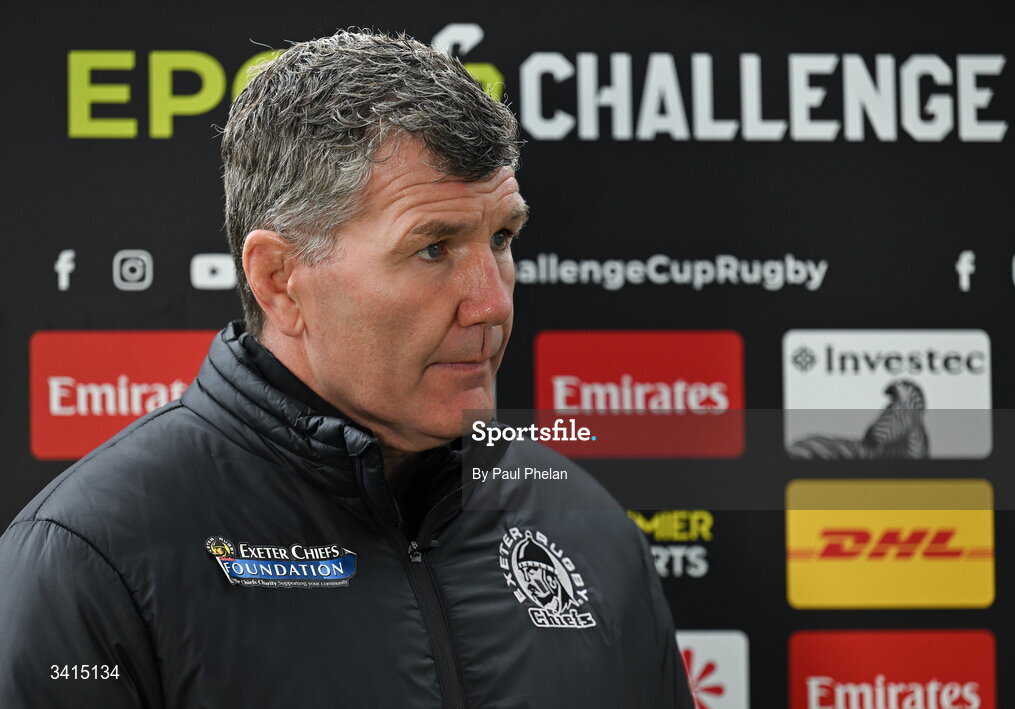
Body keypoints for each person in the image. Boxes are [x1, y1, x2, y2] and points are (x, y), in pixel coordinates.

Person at [0, 30, 692, 708]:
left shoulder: (588, 527)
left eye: (501, 238)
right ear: (280, 278)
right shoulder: (94, 560)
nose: (491, 303)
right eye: (434, 248)